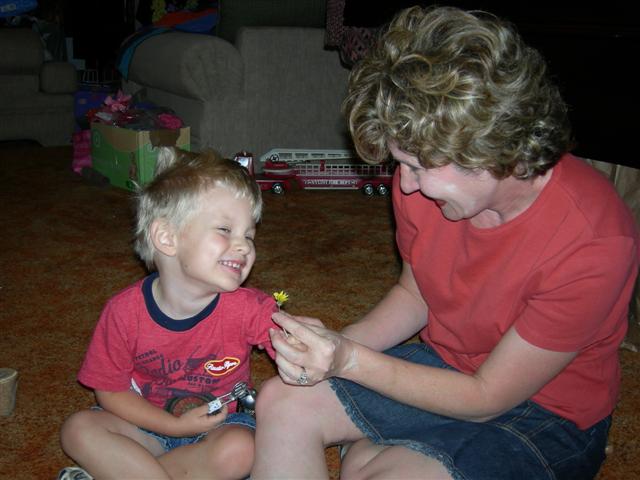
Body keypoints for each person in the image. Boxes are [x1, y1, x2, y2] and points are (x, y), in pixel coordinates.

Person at [251, 5, 640, 480]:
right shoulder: (421, 188)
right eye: (401, 163)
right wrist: (331, 347)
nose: (405, 184)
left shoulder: (595, 240)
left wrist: (349, 360)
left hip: (545, 414)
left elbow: (486, 397)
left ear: (488, 148)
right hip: (446, 365)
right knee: (282, 400)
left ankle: (390, 454)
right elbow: (417, 294)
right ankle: (392, 452)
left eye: (417, 167)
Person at [59, 147, 278, 480]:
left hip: (218, 428)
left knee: (241, 449)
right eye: (225, 229)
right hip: (146, 424)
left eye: (249, 234)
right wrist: (172, 426)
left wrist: (299, 342)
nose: (244, 245)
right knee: (78, 429)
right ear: (167, 238)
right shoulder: (123, 312)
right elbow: (110, 391)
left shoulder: (250, 307)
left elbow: (287, 342)